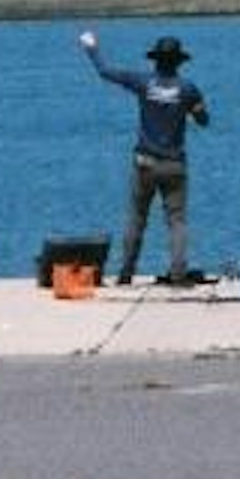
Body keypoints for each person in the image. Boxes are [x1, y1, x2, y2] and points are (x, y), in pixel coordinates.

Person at [78, 28, 212, 287]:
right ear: (179, 62)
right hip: (174, 164)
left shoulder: (143, 83)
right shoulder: (188, 89)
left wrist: (92, 49)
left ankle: (126, 274)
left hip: (145, 163)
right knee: (176, 221)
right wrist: (189, 109)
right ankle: (178, 273)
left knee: (137, 218)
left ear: (155, 61)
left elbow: (105, 72)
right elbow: (204, 120)